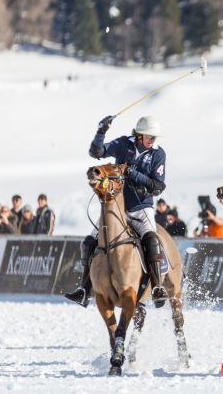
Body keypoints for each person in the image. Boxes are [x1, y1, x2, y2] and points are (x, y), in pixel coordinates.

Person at [65, 115, 168, 308]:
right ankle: (84, 289)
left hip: (141, 208)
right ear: (139, 134)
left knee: (152, 240)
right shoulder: (123, 144)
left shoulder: (158, 154)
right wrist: (101, 132)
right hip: (116, 208)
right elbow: (96, 152)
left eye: (154, 137)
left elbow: (158, 186)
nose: (152, 140)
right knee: (89, 242)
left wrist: (134, 175)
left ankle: (157, 288)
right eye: (149, 136)